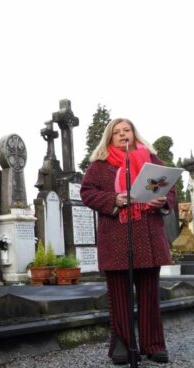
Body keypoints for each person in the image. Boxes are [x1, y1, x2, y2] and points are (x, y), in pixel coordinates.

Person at [81, 118, 174, 365]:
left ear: (134, 133)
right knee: (119, 294)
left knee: (149, 293)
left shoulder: (152, 161)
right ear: (110, 138)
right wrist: (115, 199)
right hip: (116, 236)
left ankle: (153, 344)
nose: (123, 135)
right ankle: (123, 343)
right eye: (117, 132)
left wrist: (163, 201)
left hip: (148, 235)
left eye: (127, 130)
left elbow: (169, 190)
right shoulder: (99, 166)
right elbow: (87, 192)